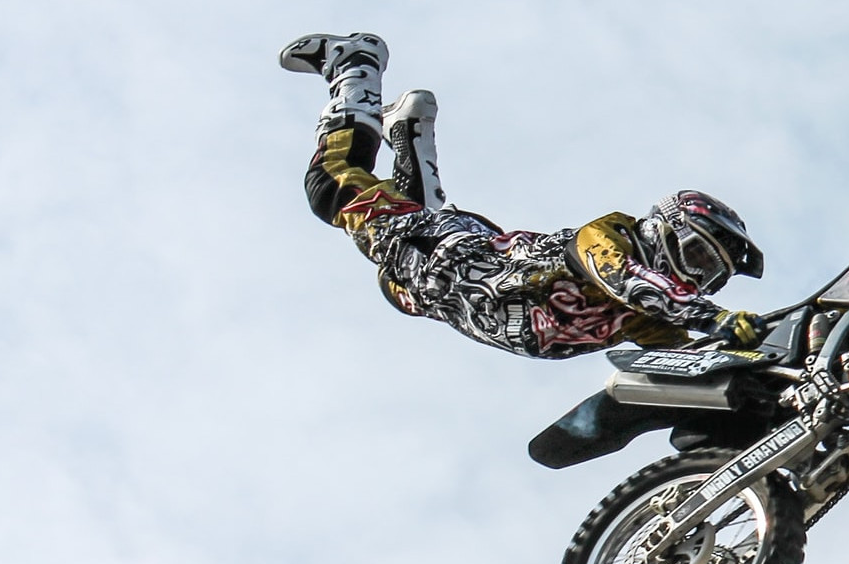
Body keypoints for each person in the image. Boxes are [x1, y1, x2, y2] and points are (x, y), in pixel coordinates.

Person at [281, 32, 767, 465]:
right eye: (697, 257)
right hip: (448, 256)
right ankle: (355, 64)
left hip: (448, 279)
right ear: (665, 228)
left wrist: (760, 374)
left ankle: (410, 133)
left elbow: (691, 360)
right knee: (332, 187)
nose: (694, 277)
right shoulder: (609, 239)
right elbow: (622, 275)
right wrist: (713, 315)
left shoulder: (642, 317)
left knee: (405, 264)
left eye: (708, 276)